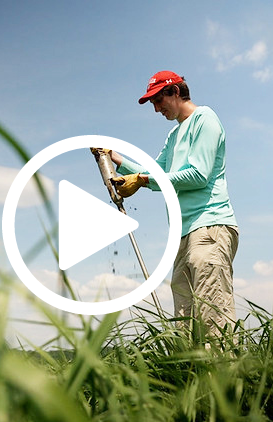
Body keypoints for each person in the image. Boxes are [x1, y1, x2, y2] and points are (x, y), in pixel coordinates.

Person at [97, 70, 239, 343]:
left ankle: (227, 384)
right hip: (184, 234)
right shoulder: (174, 136)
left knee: (213, 319)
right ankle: (191, 382)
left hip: (210, 226)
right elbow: (153, 175)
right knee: (185, 328)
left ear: (175, 92)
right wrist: (113, 156)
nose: (156, 109)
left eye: (158, 100)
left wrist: (144, 179)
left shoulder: (204, 119)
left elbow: (198, 175)